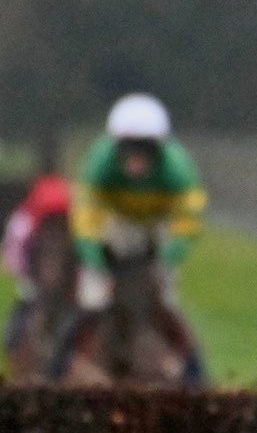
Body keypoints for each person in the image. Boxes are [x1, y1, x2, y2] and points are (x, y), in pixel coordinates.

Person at [58, 93, 208, 382]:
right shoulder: (99, 162)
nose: (137, 157)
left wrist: (172, 253)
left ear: (158, 148)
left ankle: (196, 378)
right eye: (129, 148)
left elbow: (189, 216)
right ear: (117, 146)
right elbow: (86, 210)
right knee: (92, 299)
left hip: (156, 225)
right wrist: (92, 252)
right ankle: (57, 368)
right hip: (114, 222)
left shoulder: (177, 167)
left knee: (167, 300)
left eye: (145, 148)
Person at [3, 174, 71, 357]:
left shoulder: (72, 220)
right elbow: (14, 258)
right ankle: (12, 345)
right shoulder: (22, 224)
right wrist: (29, 276)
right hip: (30, 272)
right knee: (28, 298)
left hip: (65, 280)